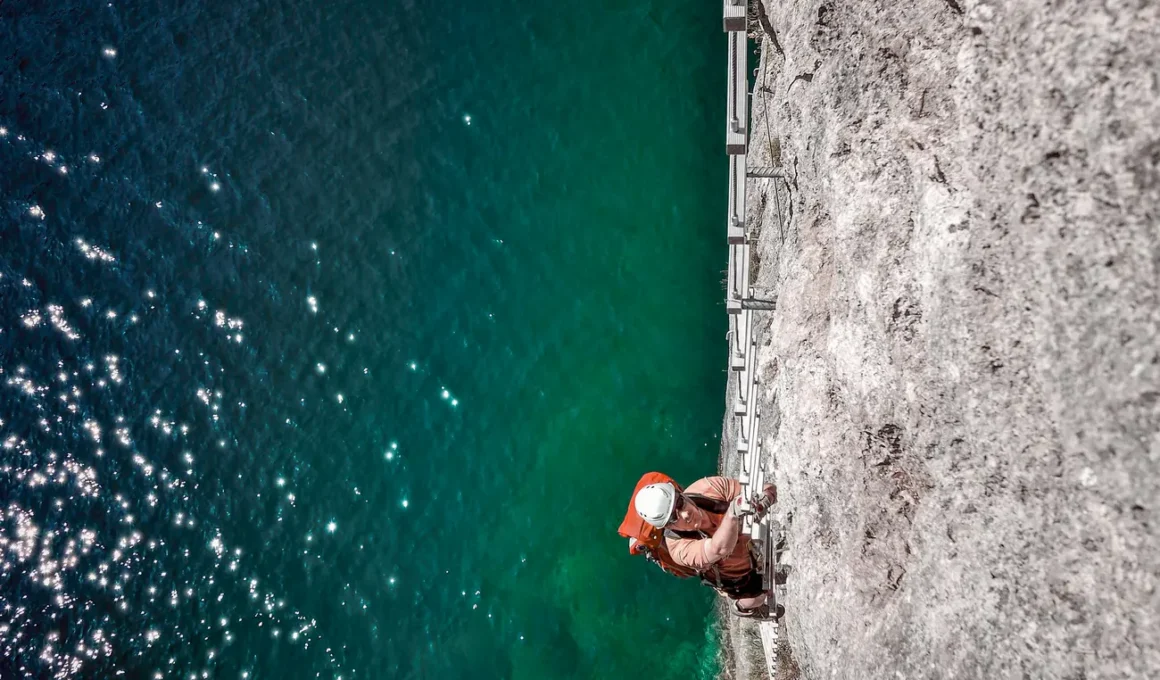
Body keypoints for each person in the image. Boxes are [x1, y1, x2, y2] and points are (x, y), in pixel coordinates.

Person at [632, 475, 778, 618]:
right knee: (758, 596)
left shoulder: (709, 488)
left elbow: (768, 489)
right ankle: (741, 608)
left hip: (750, 551)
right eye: (673, 518)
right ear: (665, 527)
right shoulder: (679, 549)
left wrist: (765, 498)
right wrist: (732, 513)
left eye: (680, 504)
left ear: (681, 494)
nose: (685, 515)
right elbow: (719, 549)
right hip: (735, 576)